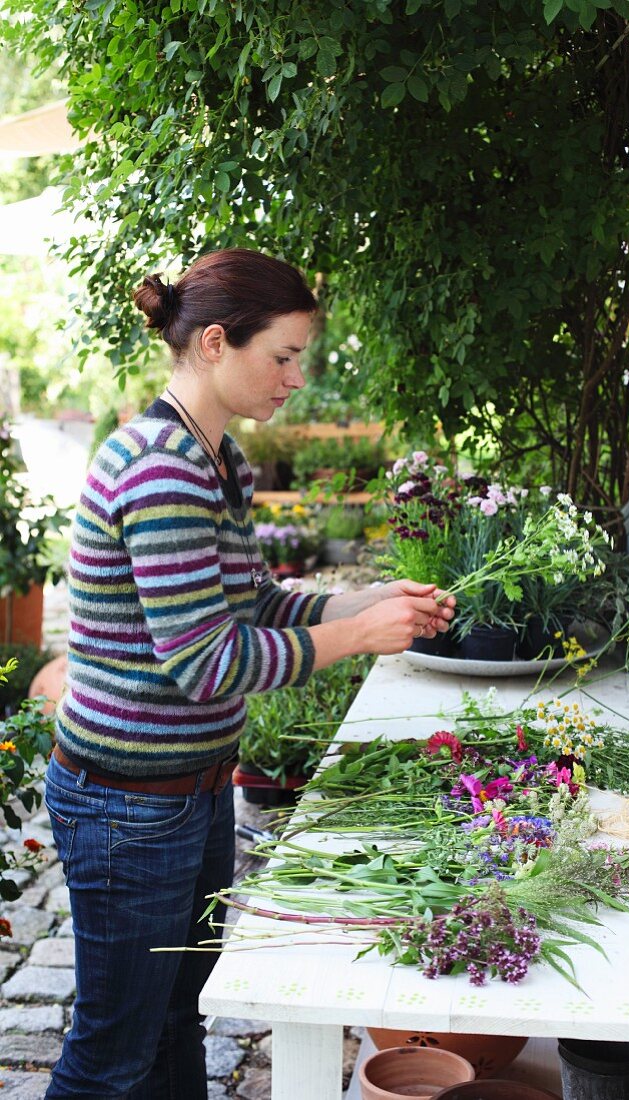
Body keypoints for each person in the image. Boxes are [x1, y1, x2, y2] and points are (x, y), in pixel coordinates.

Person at [44, 247, 455, 1099]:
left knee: (173, 1026)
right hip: (127, 807)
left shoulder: (213, 457)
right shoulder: (160, 468)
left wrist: (369, 602)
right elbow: (207, 661)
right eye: (284, 356)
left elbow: (253, 602)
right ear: (215, 344)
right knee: (113, 1054)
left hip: (185, 794)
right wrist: (362, 637)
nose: (295, 378)